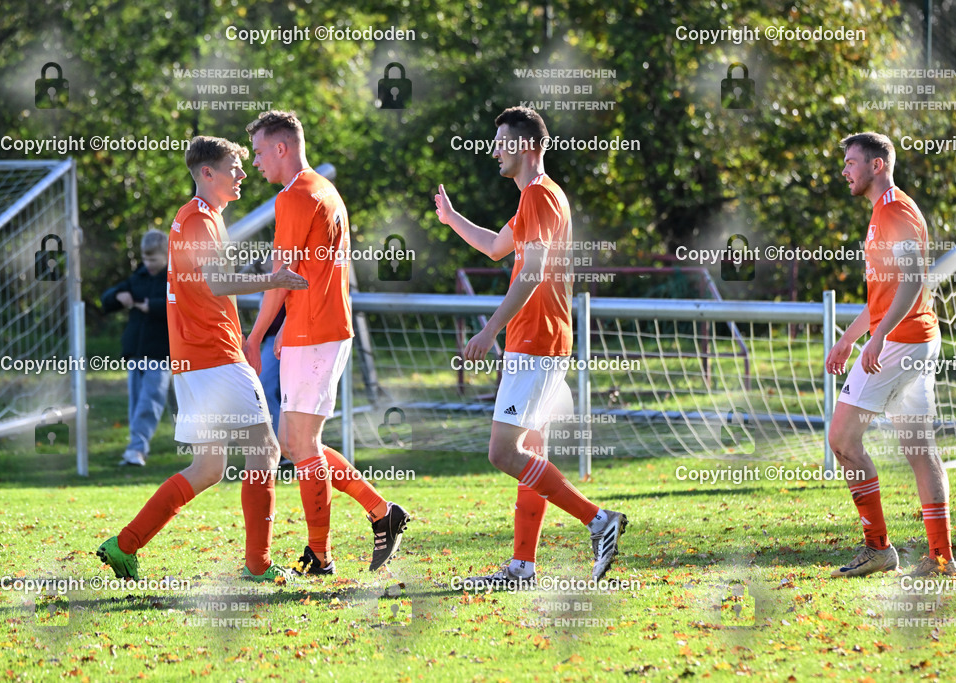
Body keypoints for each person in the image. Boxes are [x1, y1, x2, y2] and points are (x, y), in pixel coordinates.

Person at [96, 135, 309, 584]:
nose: (243, 174)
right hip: (214, 356)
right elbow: (216, 283)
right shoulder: (198, 219)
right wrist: (274, 279)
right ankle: (259, 565)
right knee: (266, 450)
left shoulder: (199, 216)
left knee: (209, 467)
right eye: (234, 166)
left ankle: (125, 544)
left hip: (195, 361)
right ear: (207, 173)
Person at [434, 106, 626, 588]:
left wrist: (491, 329)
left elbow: (533, 271)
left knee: (504, 452)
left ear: (527, 146)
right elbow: (498, 248)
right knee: (529, 452)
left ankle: (599, 520)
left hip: (537, 341)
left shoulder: (540, 195)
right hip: (538, 340)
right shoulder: (533, 200)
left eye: (502, 140)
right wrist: (454, 218)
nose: (495, 149)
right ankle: (522, 567)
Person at [242, 110, 410, 575]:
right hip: (313, 330)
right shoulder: (324, 189)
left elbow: (281, 277)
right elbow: (303, 276)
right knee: (300, 444)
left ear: (281, 148)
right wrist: (287, 332)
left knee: (301, 443)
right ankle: (378, 515)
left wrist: (256, 335)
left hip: (316, 333)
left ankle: (325, 552)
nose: (255, 163)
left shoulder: (295, 195)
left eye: (258, 152)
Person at [826, 132, 954, 578]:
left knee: (842, 439)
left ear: (877, 165)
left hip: (902, 342)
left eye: (851, 162)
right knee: (920, 448)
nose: (845, 170)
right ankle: (941, 559)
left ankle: (878, 547)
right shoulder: (882, 212)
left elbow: (914, 279)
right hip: (915, 337)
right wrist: (850, 337)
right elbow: (884, 292)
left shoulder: (896, 209)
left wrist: (878, 338)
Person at [100, 229, 172, 467]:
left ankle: (137, 449)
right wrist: (118, 297)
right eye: (145, 258)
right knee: (138, 402)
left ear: (166, 255)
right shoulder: (138, 277)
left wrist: (150, 306)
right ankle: (137, 447)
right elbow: (107, 298)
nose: (148, 264)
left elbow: (178, 307)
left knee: (150, 402)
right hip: (136, 353)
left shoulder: (175, 278)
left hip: (162, 353)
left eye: (153, 259)